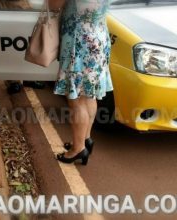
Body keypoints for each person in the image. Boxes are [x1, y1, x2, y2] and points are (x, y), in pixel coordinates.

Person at [51, 0, 113, 165]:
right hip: (99, 37)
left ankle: (77, 149)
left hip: (79, 42)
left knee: (76, 100)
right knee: (88, 94)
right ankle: (85, 139)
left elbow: (53, 5)